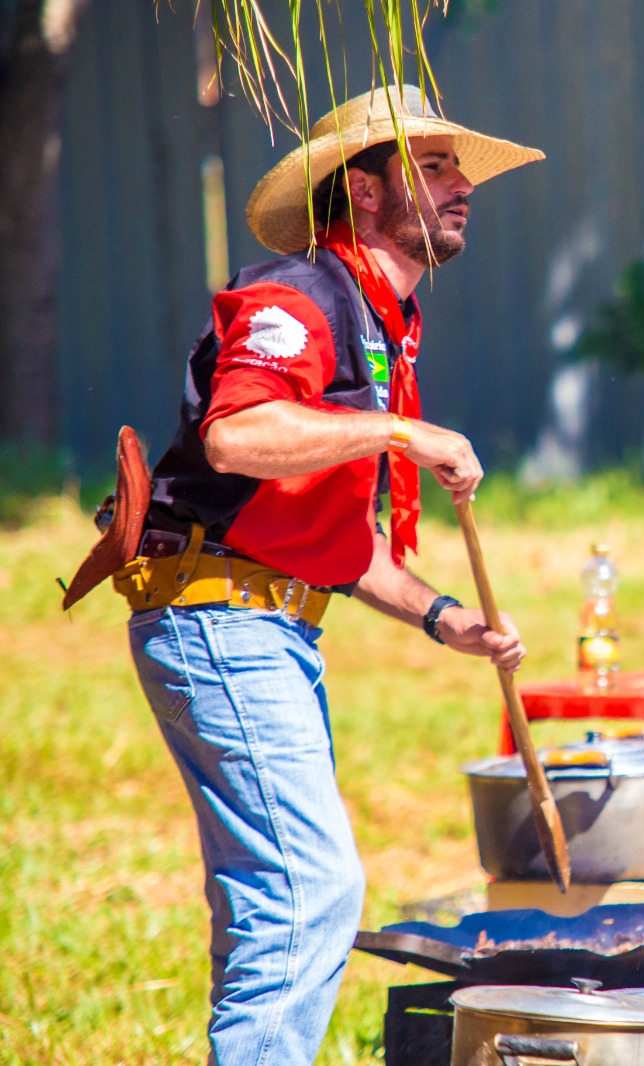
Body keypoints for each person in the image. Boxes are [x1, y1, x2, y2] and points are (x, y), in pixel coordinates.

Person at [117, 85, 543, 1066]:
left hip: (256, 618)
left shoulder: (381, 321)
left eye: (459, 166)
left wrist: (443, 617)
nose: (462, 185)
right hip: (221, 620)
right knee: (310, 889)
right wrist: (399, 430)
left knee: (271, 899)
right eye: (432, 166)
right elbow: (237, 434)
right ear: (363, 189)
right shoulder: (297, 296)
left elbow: (325, 535)